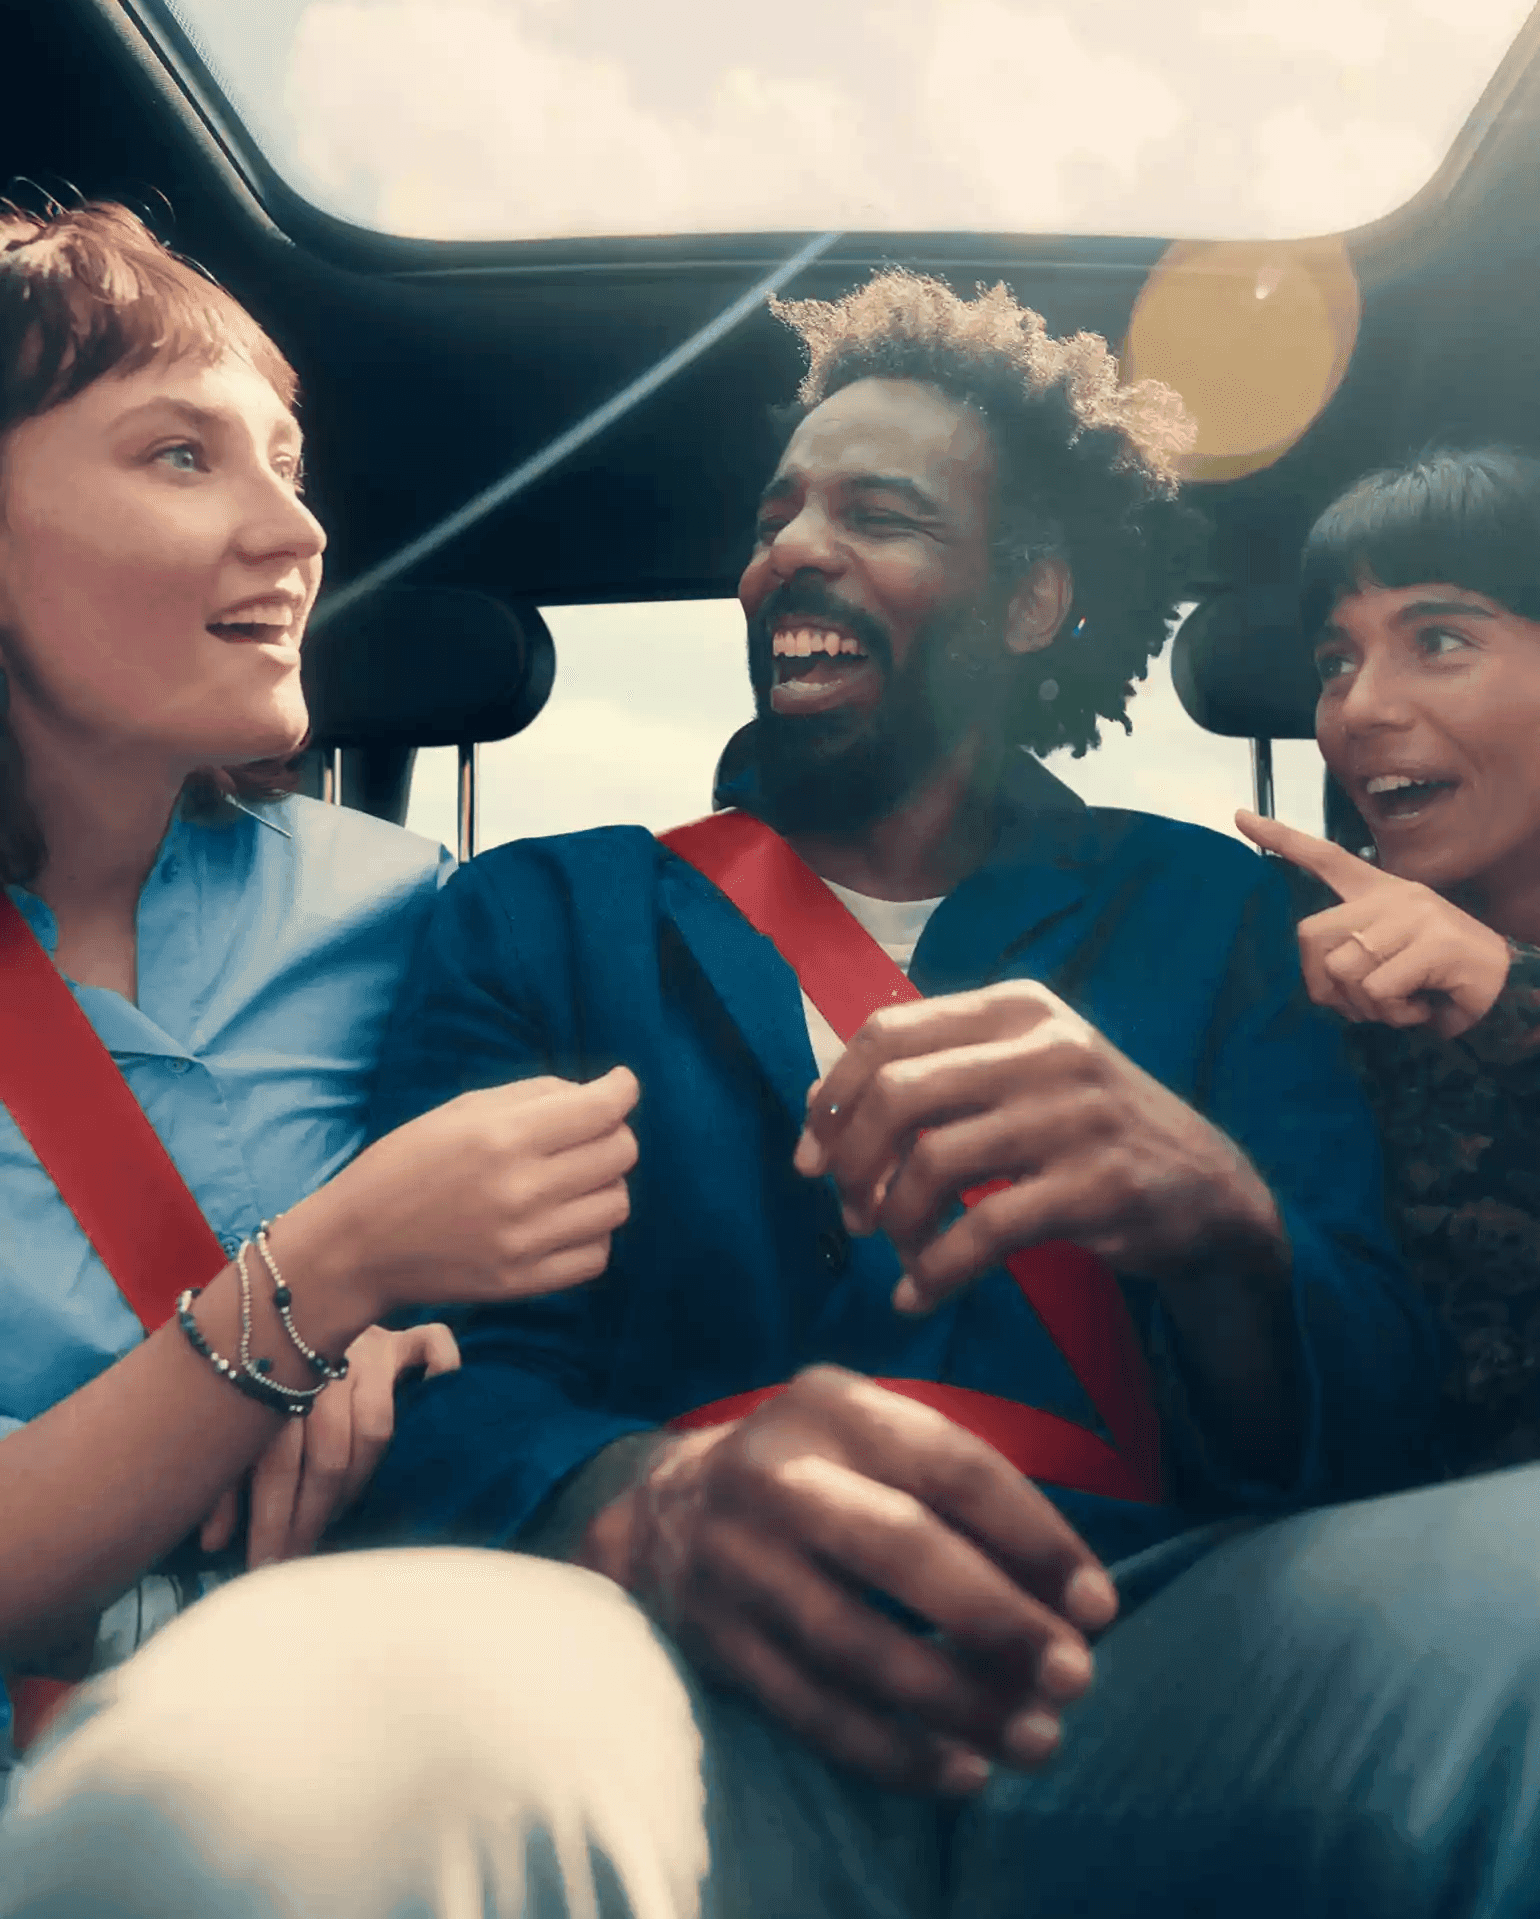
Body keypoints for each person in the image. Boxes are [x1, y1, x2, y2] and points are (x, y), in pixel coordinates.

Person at [11, 276, 1540, 1919]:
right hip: (654, 1679)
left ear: (1031, 597)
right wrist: (642, 1501)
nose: (790, 551)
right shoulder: (545, 911)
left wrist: (1227, 1229)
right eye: (776, 515)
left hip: (1166, 1649)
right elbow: (431, 1391)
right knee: (239, 1797)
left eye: (879, 513)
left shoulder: (1219, 914)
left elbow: (1389, 1419)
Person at [0, 202, 640, 1784]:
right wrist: (334, 1272)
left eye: (287, 467)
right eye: (181, 456)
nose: (296, 532)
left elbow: (539, 1358)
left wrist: (423, 1348)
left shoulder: (417, 911)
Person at [1240, 445, 1540, 1480]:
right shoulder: (1274, 948)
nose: (1359, 707)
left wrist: (1510, 995)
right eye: (1334, 662)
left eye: (1439, 639)